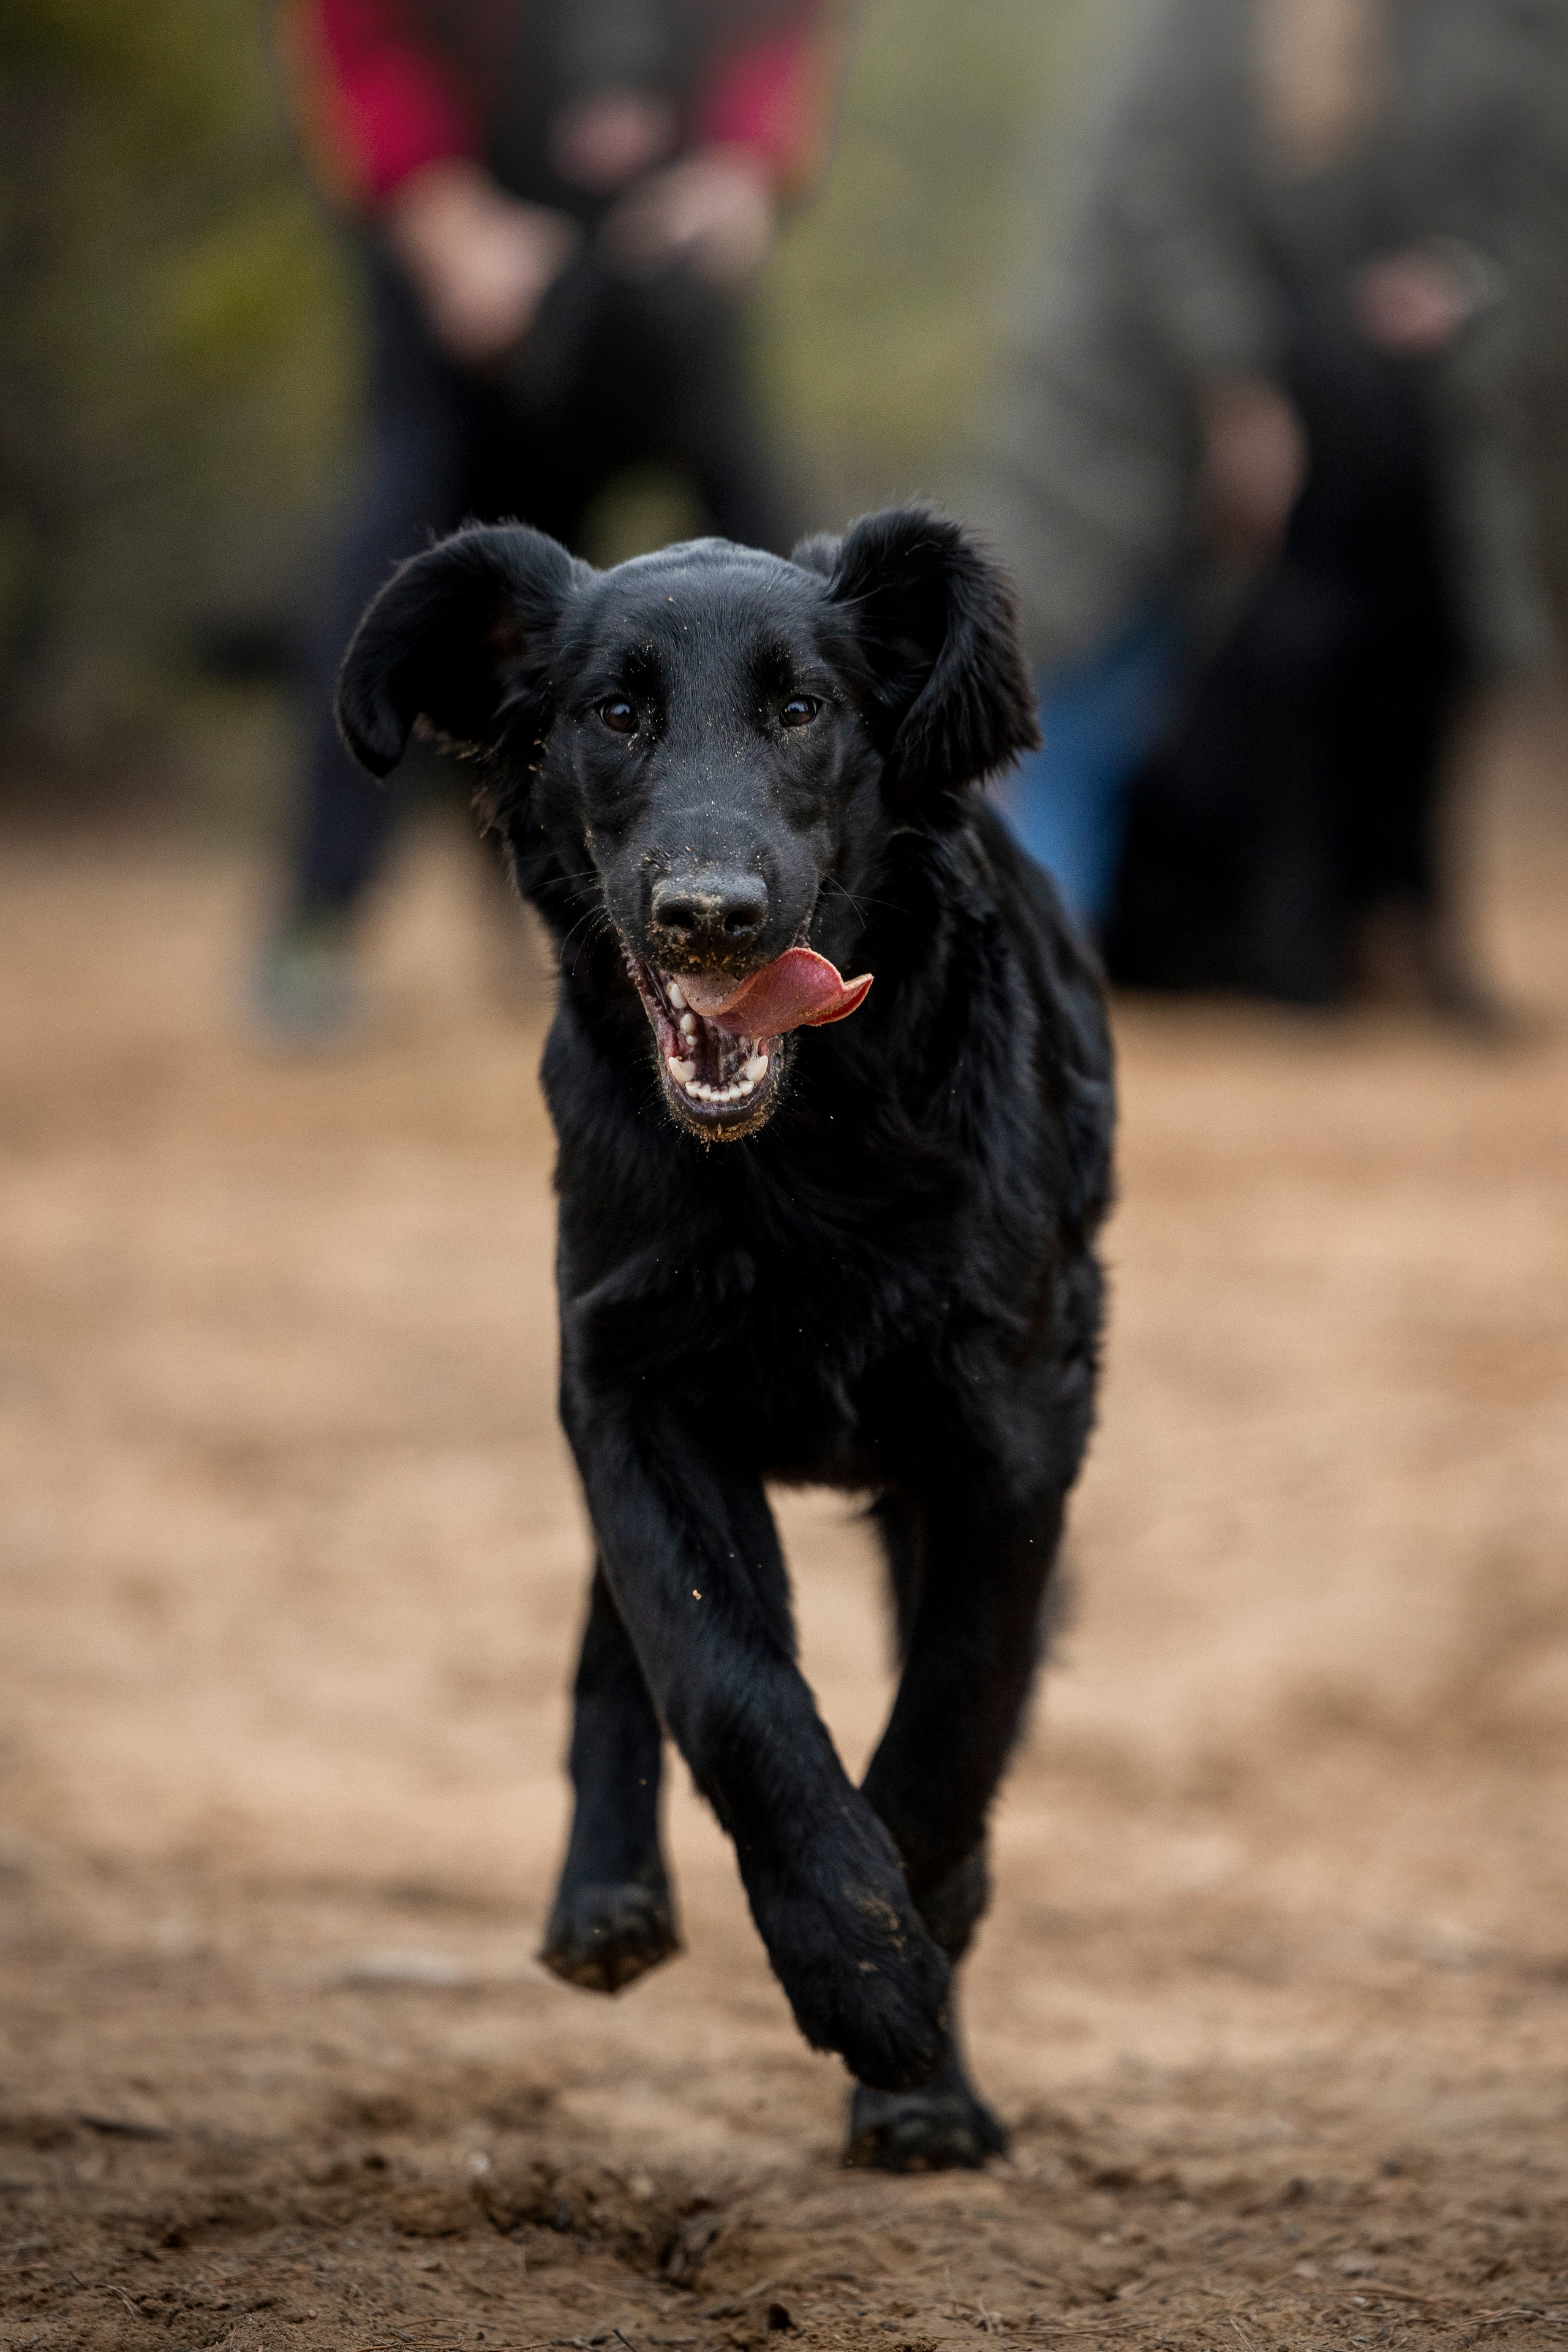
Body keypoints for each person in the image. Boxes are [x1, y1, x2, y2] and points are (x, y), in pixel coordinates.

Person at [260, 0, 850, 1039]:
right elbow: (357, 32)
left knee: (772, 560)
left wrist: (745, 166)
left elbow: (787, 22)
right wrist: (437, 211)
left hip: (672, 218)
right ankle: (320, 916)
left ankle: (850, 909)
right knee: (403, 542)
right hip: (464, 209)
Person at [986, 0, 1564, 1014]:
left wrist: (1452, 289)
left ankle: (1320, 937)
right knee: (1080, 680)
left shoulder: (1454, 40)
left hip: (1325, 413)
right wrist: (1240, 382)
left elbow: (1498, 204)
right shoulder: (1196, 34)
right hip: (1129, 409)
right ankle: (1035, 944)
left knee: (1270, 687)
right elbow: (1152, 190)